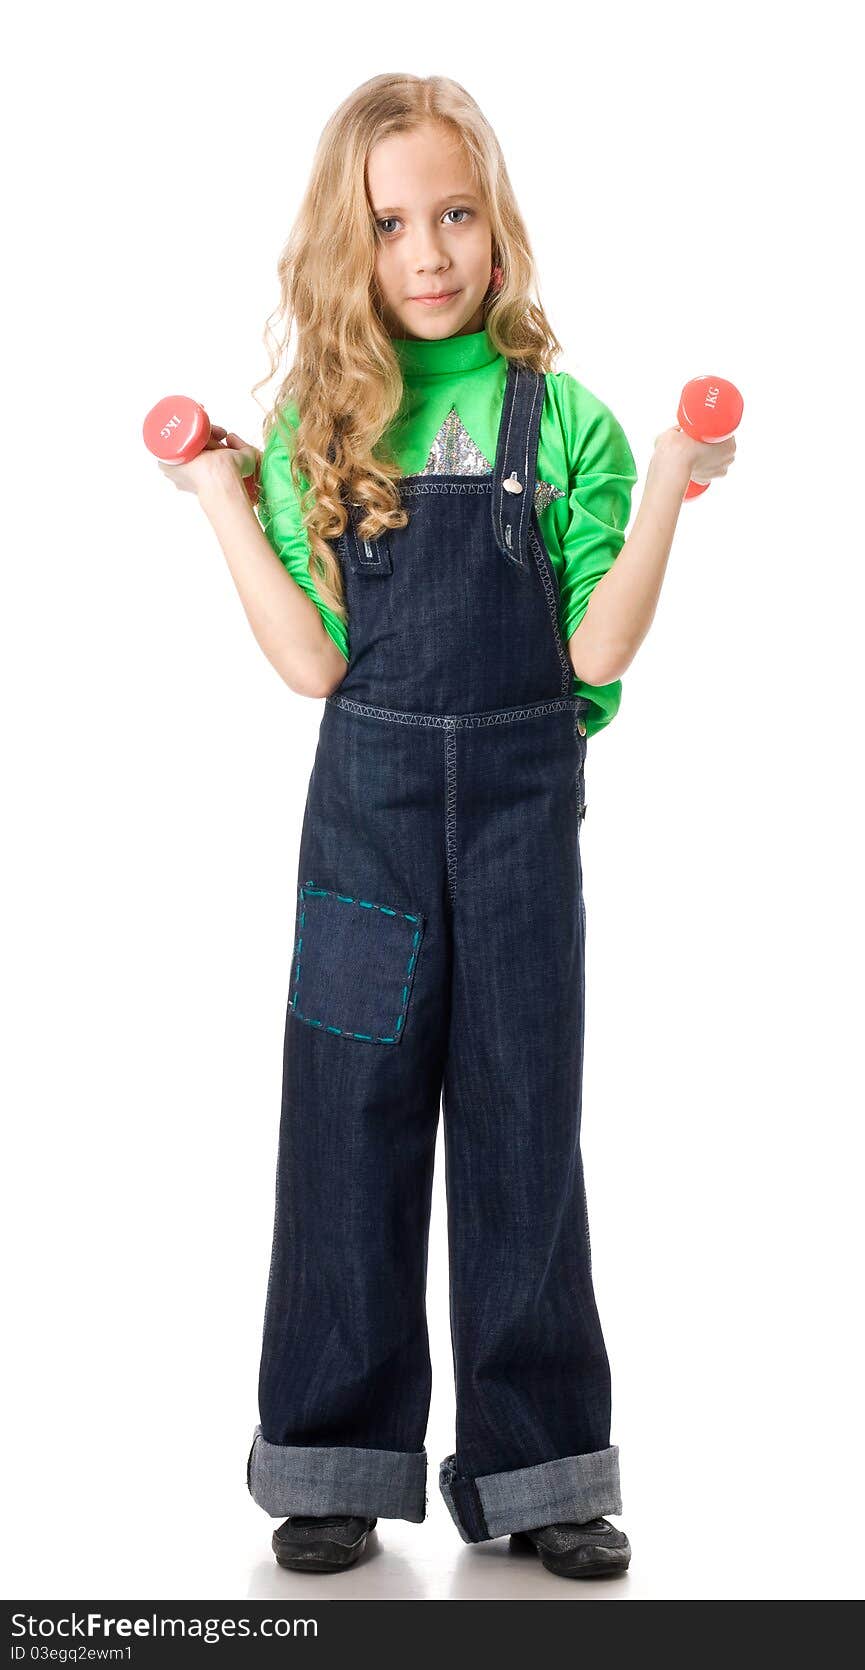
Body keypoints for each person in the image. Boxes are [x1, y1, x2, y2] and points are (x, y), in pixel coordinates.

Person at [157, 74, 735, 1582]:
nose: (428, 252)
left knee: (521, 1127)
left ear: (496, 227)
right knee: (344, 1131)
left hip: (522, 830)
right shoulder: (319, 425)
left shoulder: (569, 420)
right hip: (368, 829)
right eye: (393, 223)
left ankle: (540, 1470)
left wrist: (670, 482)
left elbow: (596, 653)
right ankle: (331, 1461)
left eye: (455, 215)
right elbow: (313, 664)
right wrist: (218, 499)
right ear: (349, 248)